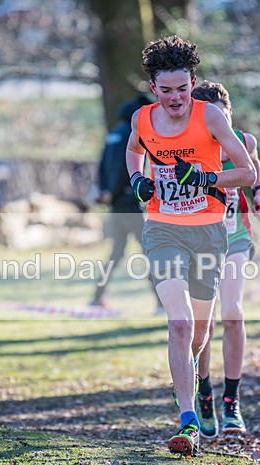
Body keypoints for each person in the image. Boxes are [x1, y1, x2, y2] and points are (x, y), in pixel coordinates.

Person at [126, 36, 255, 456]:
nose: (176, 98)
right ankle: (187, 420)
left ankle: (198, 383)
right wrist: (137, 179)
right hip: (163, 228)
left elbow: (247, 173)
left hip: (209, 233)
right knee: (178, 324)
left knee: (199, 332)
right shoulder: (142, 120)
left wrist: (203, 179)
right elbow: (133, 152)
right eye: (166, 90)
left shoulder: (211, 116)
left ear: (193, 82)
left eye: (183, 88)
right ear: (154, 89)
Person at [189, 80, 260, 438]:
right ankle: (203, 392)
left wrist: (259, 191)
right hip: (200, 240)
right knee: (201, 325)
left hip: (236, 236)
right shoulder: (189, 148)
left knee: (232, 312)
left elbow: (253, 161)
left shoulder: (244, 140)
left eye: (225, 116)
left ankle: (232, 401)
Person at [89, 93, 163, 313]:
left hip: (116, 205)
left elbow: (102, 165)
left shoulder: (113, 134)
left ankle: (96, 299)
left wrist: (105, 191)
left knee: (115, 254)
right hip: (130, 203)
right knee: (150, 252)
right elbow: (127, 167)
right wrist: (115, 190)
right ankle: (161, 304)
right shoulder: (133, 135)